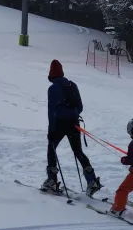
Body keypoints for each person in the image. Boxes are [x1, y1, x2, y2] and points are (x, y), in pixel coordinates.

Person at [42, 60, 101, 195]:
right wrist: (72, 115)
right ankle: (92, 180)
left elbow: (52, 111)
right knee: (78, 151)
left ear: (51, 75)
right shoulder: (72, 85)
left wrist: (51, 130)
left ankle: (52, 181)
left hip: (59, 125)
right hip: (74, 123)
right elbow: (79, 107)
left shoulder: (53, 89)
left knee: (51, 150)